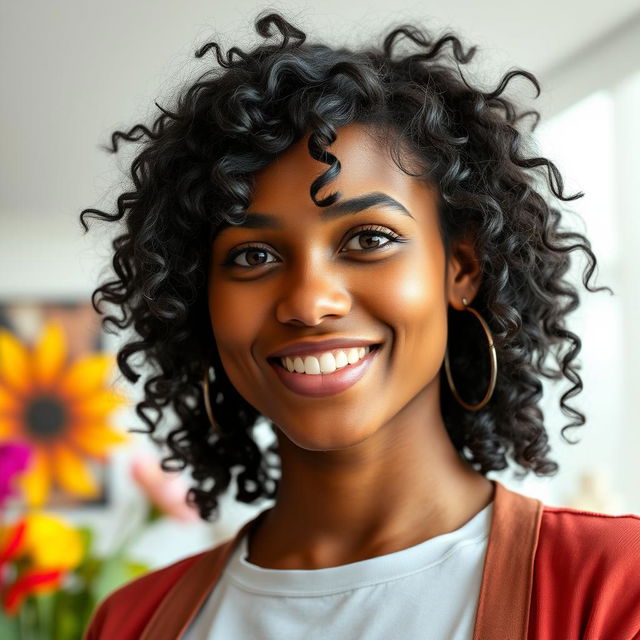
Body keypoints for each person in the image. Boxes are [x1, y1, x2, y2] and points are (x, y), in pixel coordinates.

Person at [80, 10, 640, 639]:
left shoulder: (615, 587)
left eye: (369, 238)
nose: (309, 302)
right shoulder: (130, 622)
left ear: (461, 268)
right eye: (252, 255)